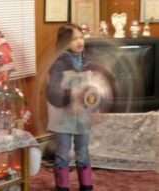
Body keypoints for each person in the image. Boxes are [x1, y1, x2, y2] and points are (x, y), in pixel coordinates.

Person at [46, 23, 94, 191]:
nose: (79, 42)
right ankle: (62, 187)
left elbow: (93, 88)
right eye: (73, 39)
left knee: (83, 151)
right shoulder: (58, 64)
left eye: (81, 37)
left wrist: (93, 95)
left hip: (82, 116)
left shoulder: (88, 61)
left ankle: (86, 186)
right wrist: (70, 96)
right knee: (62, 153)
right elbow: (52, 93)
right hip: (63, 118)